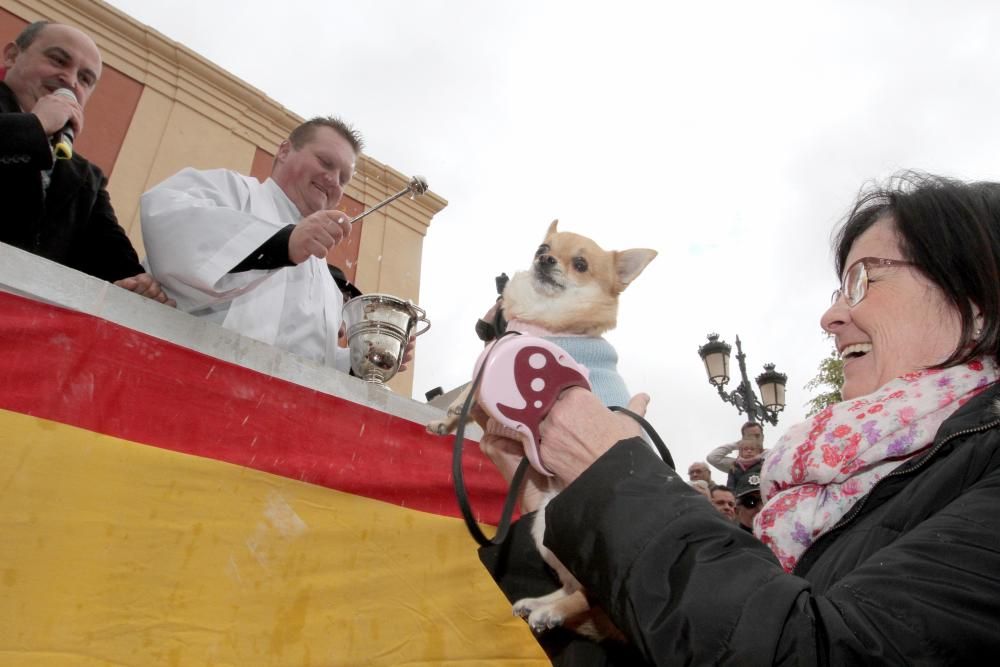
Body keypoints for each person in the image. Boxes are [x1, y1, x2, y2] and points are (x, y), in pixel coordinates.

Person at [478, 173, 1000, 664]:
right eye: (839, 290)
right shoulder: (812, 485)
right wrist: (543, 495)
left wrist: (612, 474)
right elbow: (659, 640)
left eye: (864, 280)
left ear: (978, 298)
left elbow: (808, 648)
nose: (831, 317)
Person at [141, 117, 363, 370]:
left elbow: (311, 360)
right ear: (284, 150)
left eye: (343, 178)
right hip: (180, 376)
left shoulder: (327, 283)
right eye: (325, 162)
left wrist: (362, 360)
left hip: (273, 406)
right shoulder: (229, 190)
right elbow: (169, 223)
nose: (334, 180)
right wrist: (283, 244)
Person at [0, 21, 172, 304]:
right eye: (57, 60)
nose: (70, 80)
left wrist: (139, 283)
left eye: (86, 78)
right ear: (12, 55)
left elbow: (110, 255)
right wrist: (35, 126)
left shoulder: (84, 177)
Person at [706, 421, 766, 490]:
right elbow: (712, 457)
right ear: (743, 438)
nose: (754, 439)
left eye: (757, 436)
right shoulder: (738, 464)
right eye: (750, 437)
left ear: (763, 437)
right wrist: (739, 444)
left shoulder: (771, 455)